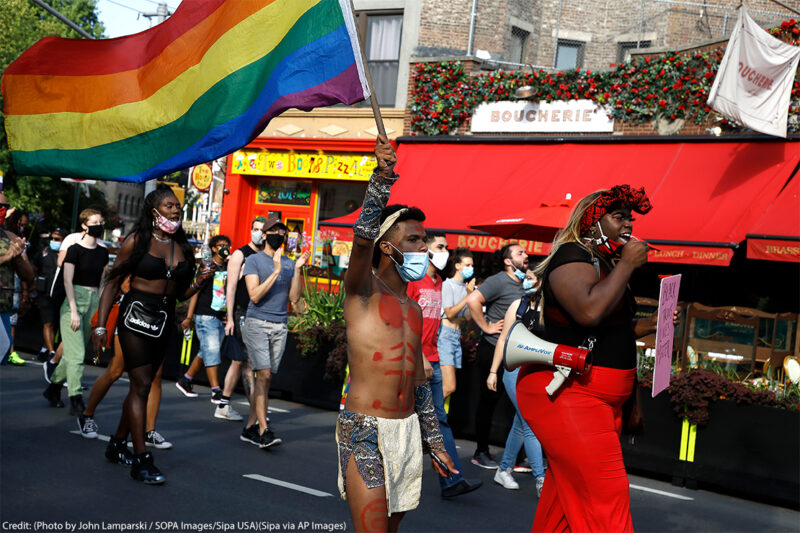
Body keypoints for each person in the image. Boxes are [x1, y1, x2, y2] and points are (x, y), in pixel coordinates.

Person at [515, 185, 660, 532]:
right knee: (606, 501)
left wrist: (649, 325)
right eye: (619, 216)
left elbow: (611, 330)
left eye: (630, 217)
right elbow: (589, 312)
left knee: (565, 505)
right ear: (591, 221)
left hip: (599, 400)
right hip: (571, 396)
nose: (628, 224)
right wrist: (627, 266)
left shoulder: (605, 263)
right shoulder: (572, 257)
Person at [338, 137, 457, 533]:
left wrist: (434, 440)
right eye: (416, 240)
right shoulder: (362, 291)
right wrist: (382, 178)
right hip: (365, 430)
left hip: (406, 433)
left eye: (425, 240)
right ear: (388, 247)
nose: (426, 247)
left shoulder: (412, 307)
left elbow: (419, 380)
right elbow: (360, 241)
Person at [92, 186, 210, 484]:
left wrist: (198, 282)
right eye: (169, 206)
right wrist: (101, 325)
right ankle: (142, 460)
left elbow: (180, 293)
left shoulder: (183, 246)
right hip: (134, 318)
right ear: (154, 211)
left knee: (142, 385)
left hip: (164, 320)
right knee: (142, 383)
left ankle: (117, 444)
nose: (176, 210)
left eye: (177, 206)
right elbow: (112, 282)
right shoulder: (137, 241)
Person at [407, 233, 482, 499]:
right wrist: (420, 356)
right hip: (412, 361)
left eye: (447, 248)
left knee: (440, 421)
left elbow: (437, 323)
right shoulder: (411, 280)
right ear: (425, 249)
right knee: (397, 421)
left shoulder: (438, 281)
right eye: (441, 247)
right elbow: (405, 322)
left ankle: (451, 481)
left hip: (434, 359)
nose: (446, 252)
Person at [240, 217, 309, 448]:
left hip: (280, 325)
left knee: (265, 380)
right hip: (257, 322)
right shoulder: (254, 260)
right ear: (266, 235)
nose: (279, 233)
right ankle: (263, 430)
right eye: (274, 230)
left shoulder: (289, 263)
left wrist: (296, 270)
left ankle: (250, 426)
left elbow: (294, 299)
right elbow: (255, 295)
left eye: (282, 230)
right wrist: (276, 270)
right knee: (265, 375)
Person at [464, 243, 528, 468]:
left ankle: (519, 457)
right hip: (493, 348)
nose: (526, 255)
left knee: (518, 405)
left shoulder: (525, 282)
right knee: (489, 401)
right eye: (520, 253)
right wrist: (486, 327)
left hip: (516, 352)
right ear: (508, 261)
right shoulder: (499, 280)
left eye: (525, 252)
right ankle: (481, 451)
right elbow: (473, 300)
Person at [43, 209, 109, 416]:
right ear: (84, 225)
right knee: (78, 355)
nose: (99, 224)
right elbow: (67, 280)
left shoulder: (103, 251)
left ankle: (53, 389)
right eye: (94, 222)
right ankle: (76, 398)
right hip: (73, 302)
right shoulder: (74, 249)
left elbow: (102, 282)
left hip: (93, 302)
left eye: (100, 221)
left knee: (70, 355)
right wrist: (72, 310)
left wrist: (100, 309)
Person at [487, 269, 546, 494]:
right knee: (530, 422)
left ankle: (503, 470)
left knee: (520, 423)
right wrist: (493, 372)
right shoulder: (517, 305)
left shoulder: (549, 309)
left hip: (538, 372)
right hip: (514, 369)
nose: (525, 281)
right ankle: (541, 479)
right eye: (526, 276)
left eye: (531, 278)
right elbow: (502, 339)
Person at [179, 234, 245, 421]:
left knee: (205, 351)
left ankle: (186, 380)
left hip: (220, 315)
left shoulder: (229, 267)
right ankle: (216, 390)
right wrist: (189, 316)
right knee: (213, 350)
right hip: (204, 314)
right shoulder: (208, 266)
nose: (225, 248)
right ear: (214, 248)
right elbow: (195, 292)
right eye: (221, 245)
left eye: (227, 245)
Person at [0, 192, 34, 366]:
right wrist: (5, 257)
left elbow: (28, 276)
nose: (2, 211)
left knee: (3, 356)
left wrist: (18, 257)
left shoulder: (10, 237)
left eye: (4, 208)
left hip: (3, 309)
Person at [438, 248, 475, 399]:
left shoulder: (466, 288)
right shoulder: (448, 285)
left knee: (446, 386)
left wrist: (473, 299)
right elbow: (450, 313)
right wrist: (468, 296)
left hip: (457, 336)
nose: (470, 269)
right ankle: (426, 418)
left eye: (472, 265)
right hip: (445, 336)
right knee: (449, 386)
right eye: (467, 265)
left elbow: (466, 317)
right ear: (457, 266)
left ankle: (435, 417)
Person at [34, 228, 66, 363]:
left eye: (57, 239)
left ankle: (44, 349)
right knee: (48, 323)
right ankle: (52, 352)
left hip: (62, 295)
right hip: (45, 293)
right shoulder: (44, 253)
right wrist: (29, 290)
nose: (53, 241)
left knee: (57, 324)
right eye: (52, 238)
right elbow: (34, 270)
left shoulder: (68, 255)